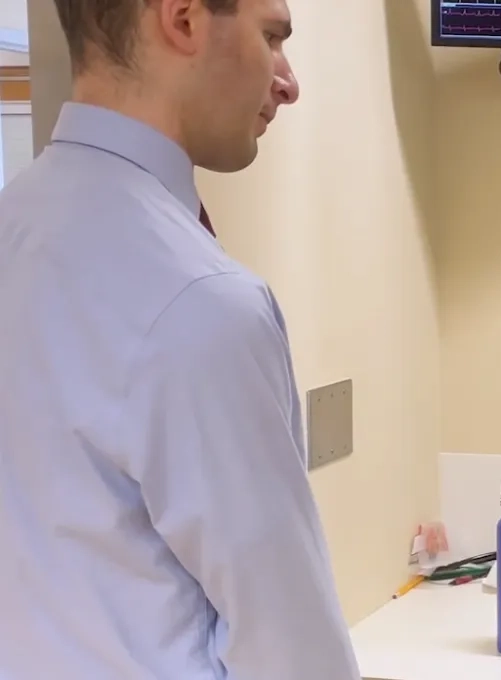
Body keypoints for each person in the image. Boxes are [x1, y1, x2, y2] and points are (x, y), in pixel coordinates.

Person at [0, 1, 360, 678]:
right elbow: (289, 648)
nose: (288, 81)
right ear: (186, 20)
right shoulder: (200, 301)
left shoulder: (14, 231)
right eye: (272, 37)